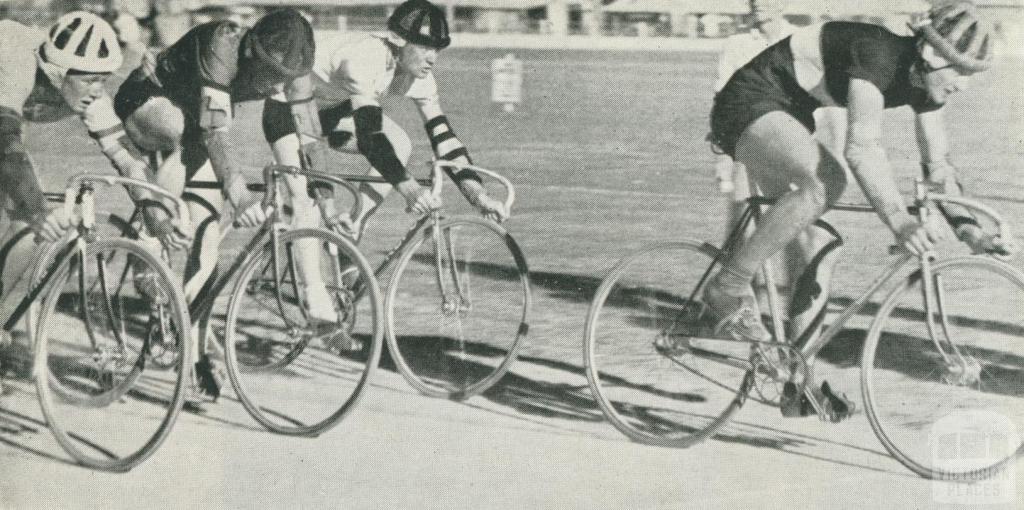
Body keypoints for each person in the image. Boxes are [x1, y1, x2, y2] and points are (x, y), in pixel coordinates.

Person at [707, 2, 1015, 417]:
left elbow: (938, 169)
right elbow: (862, 148)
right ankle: (726, 289)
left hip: (789, 111)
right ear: (930, 55)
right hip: (748, 102)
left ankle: (798, 385)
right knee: (822, 185)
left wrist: (969, 230)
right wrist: (900, 221)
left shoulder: (925, 85)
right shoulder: (877, 54)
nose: (963, 85)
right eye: (960, 71)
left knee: (822, 247)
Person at [261, 0, 507, 350]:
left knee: (402, 143)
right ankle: (318, 309)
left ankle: (351, 232)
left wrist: (477, 195)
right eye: (423, 47)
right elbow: (370, 139)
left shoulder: (419, 76)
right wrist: (409, 190)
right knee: (307, 199)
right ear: (397, 41)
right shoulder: (367, 58)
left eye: (436, 49)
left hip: (328, 112)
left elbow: (444, 139)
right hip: (288, 109)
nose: (432, 58)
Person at [114, 8, 327, 399]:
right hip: (147, 101)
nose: (273, 84)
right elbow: (214, 130)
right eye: (267, 71)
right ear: (251, 50)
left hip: (195, 131)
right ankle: (149, 225)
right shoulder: (222, 43)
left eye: (283, 77)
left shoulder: (293, 73)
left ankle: (190, 350)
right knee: (182, 132)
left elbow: (300, 133)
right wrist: (239, 191)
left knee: (207, 235)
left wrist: (311, 188)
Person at [0, 11, 182, 392]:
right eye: (90, 80)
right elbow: (6, 147)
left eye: (103, 80)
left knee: (27, 224)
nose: (98, 90)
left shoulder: (86, 89)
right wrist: (37, 209)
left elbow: (126, 157)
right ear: (56, 73)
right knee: (27, 206)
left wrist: (154, 211)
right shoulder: (14, 64)